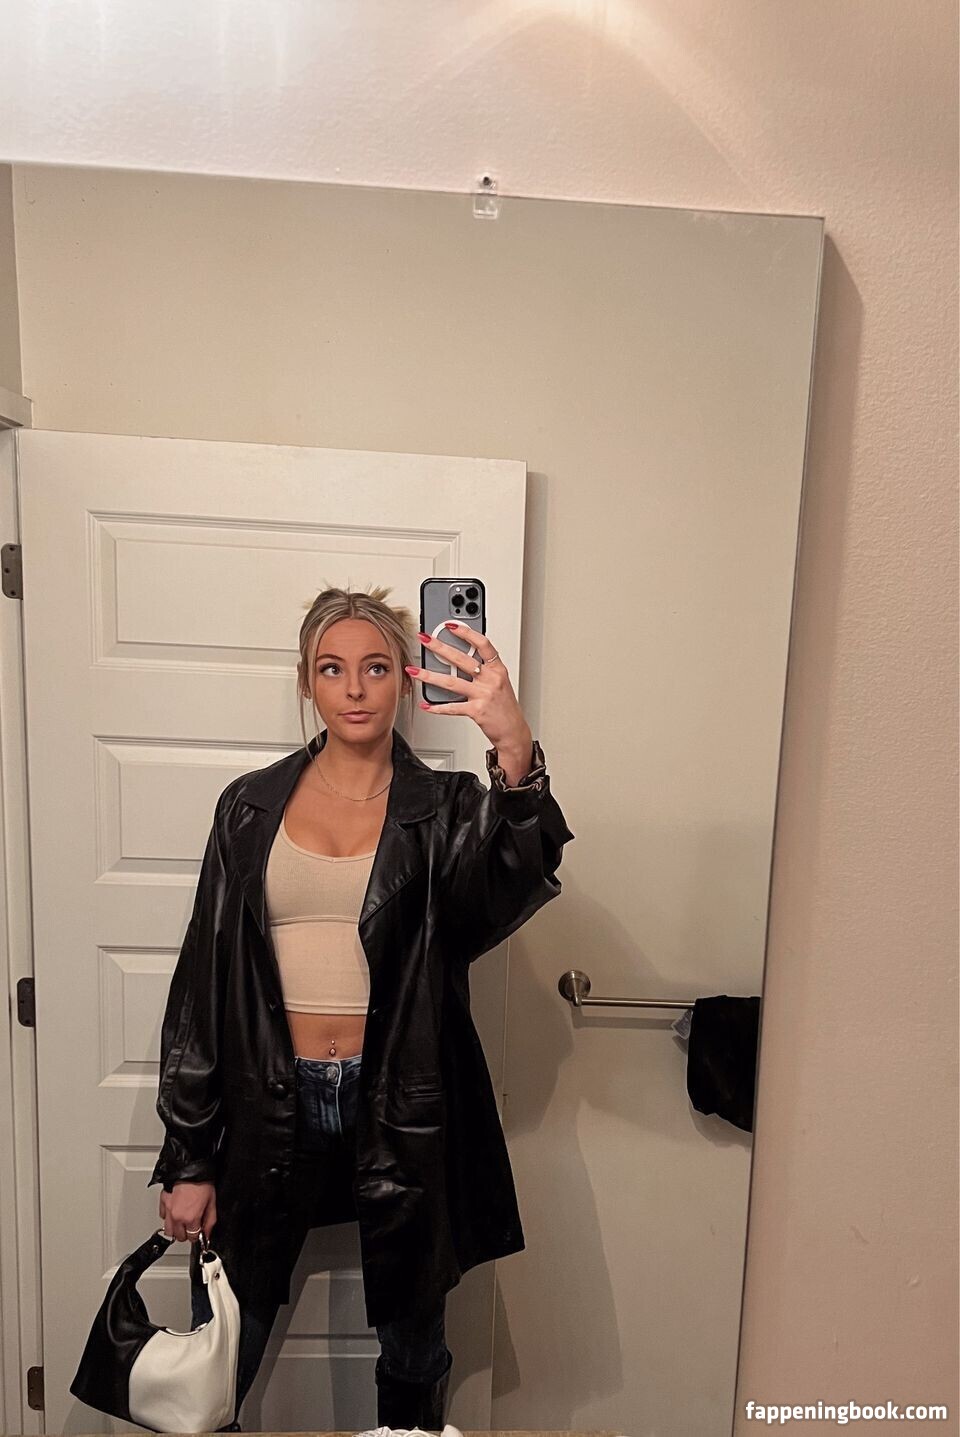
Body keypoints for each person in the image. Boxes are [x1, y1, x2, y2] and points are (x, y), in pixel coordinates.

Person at [149, 584, 575, 1431]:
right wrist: (189, 1155)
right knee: (223, 1341)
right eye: (332, 668)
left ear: (405, 681)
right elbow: (204, 982)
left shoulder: (448, 809)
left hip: (403, 1097)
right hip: (270, 1100)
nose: (353, 687)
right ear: (306, 680)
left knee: (414, 1343)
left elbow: (510, 882)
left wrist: (513, 744)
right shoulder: (249, 805)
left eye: (376, 667)